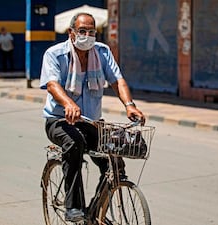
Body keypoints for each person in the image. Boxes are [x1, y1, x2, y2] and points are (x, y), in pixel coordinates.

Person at [39, 13, 145, 222]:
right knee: (74, 143)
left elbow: (118, 81)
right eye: (82, 31)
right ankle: (74, 207)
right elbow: (52, 84)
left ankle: (95, 212)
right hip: (59, 121)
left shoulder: (102, 52)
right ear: (71, 33)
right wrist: (68, 103)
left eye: (92, 32)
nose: (87, 36)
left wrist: (130, 105)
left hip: (91, 123)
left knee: (114, 161)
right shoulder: (55, 54)